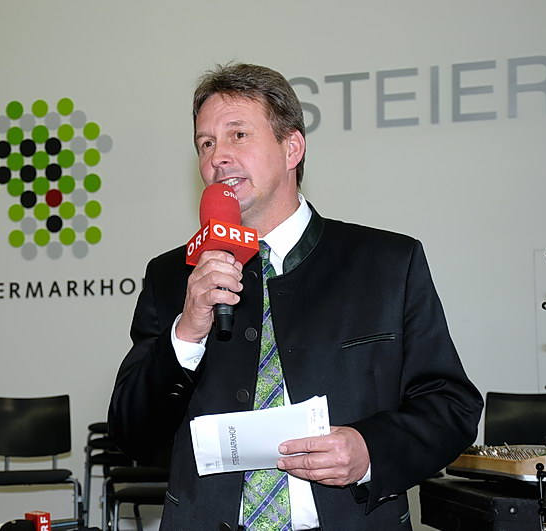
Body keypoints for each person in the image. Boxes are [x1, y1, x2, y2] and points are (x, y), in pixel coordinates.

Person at [108, 63, 482, 531]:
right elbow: (131, 433)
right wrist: (185, 334)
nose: (218, 157)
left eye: (238, 135)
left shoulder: (386, 263)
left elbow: (451, 405)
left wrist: (370, 450)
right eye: (206, 143)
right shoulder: (173, 276)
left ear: (292, 148)